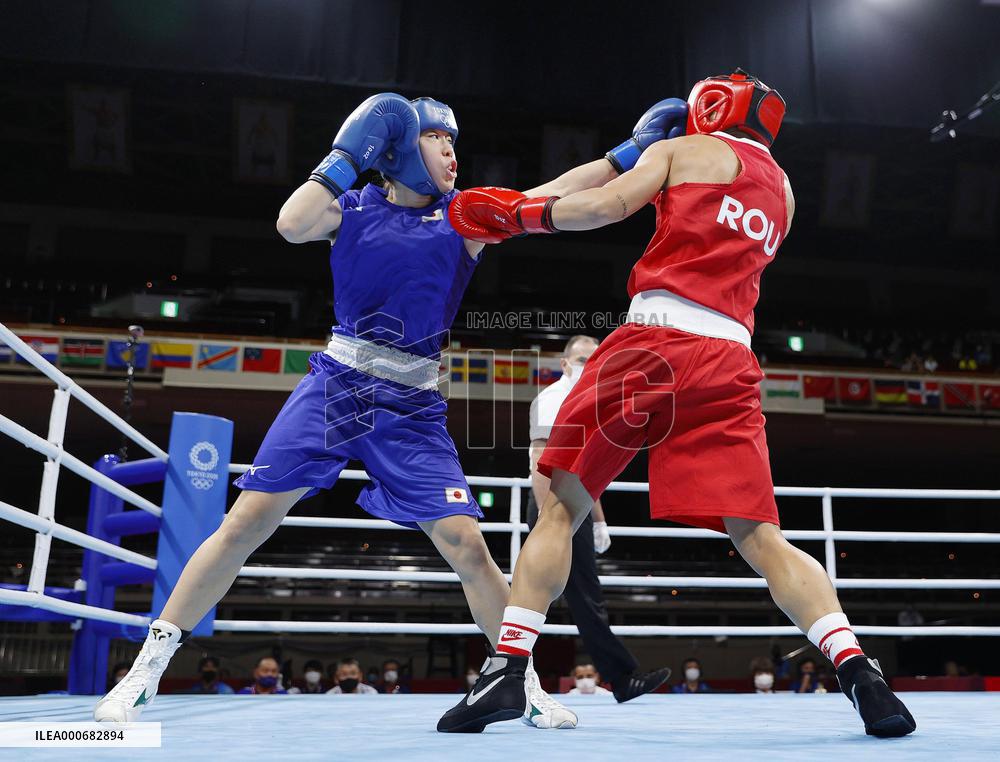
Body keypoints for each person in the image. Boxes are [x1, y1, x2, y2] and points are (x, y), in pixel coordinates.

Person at [95, 90, 639, 730]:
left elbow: (558, 190)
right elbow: (291, 224)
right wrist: (346, 154)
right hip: (337, 385)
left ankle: (518, 683)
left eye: (454, 142)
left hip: (412, 406)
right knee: (246, 523)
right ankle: (147, 669)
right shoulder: (350, 207)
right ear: (400, 148)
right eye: (438, 139)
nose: (451, 153)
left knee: (467, 543)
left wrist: (627, 154)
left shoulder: (464, 216)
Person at [441, 69, 916, 738]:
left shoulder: (683, 152)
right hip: (731, 360)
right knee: (759, 535)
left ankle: (505, 669)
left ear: (710, 106)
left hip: (655, 342)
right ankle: (859, 669)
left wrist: (520, 215)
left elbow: (603, 205)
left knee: (559, 504)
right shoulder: (784, 191)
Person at [528, 335, 671, 702]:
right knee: (541, 594)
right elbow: (541, 463)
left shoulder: (591, 402)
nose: (588, 364)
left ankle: (619, 678)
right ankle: (619, 678)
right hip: (552, 509)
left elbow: (588, 472)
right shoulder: (552, 399)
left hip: (573, 508)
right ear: (564, 364)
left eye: (595, 359)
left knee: (570, 595)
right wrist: (550, 523)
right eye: (580, 358)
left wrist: (599, 519)